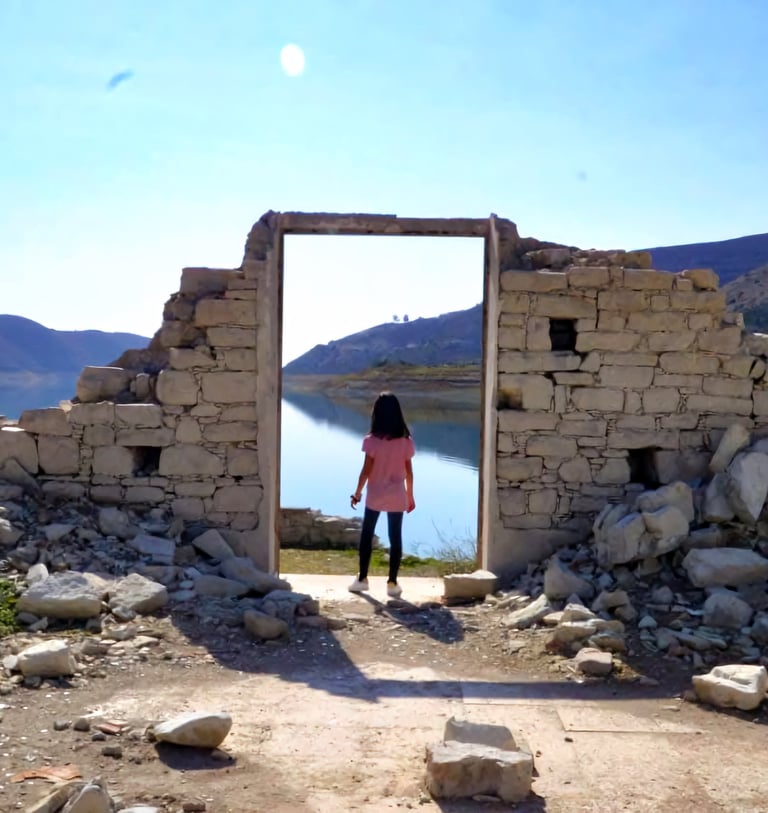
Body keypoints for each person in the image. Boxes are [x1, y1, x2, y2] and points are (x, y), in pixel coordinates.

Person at [348, 392, 415, 598]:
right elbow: (409, 473)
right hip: (397, 495)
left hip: (375, 495)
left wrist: (357, 493)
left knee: (366, 535)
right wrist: (410, 497)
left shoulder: (371, 441)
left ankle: (362, 579)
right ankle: (392, 583)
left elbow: (366, 471)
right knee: (396, 538)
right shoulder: (406, 441)